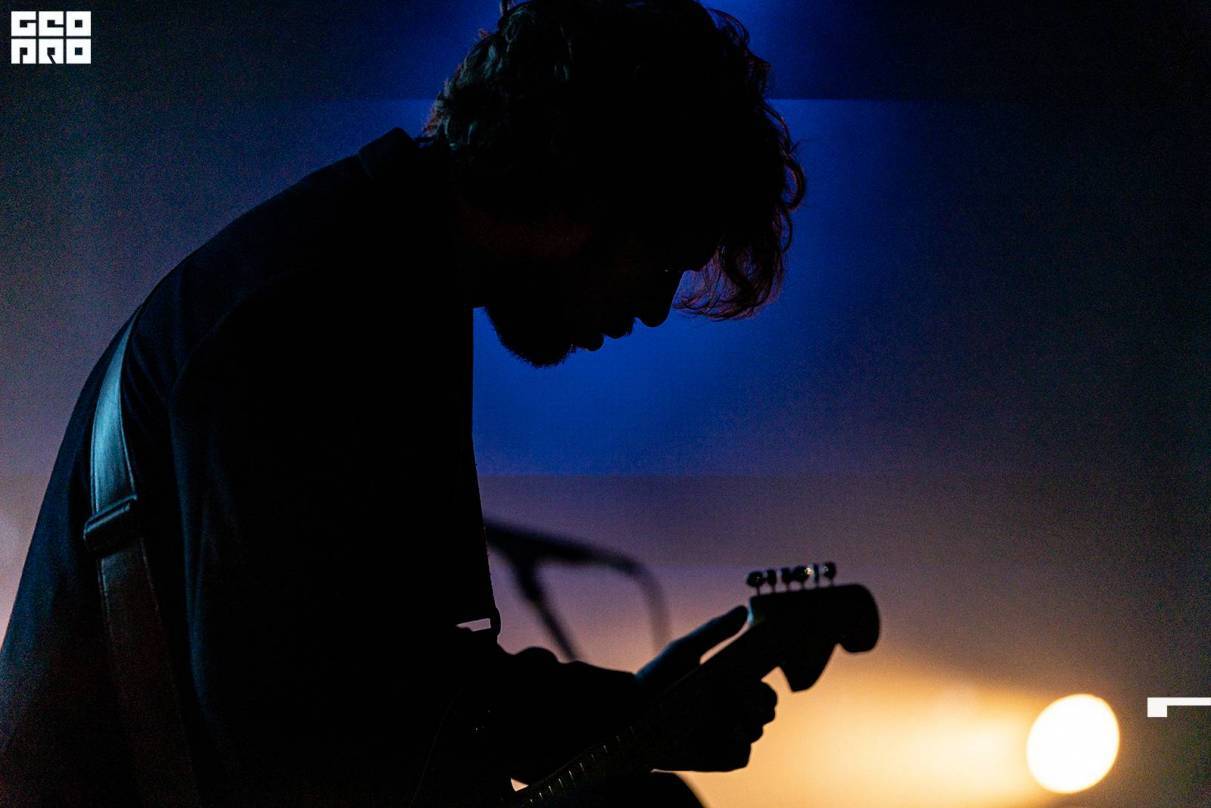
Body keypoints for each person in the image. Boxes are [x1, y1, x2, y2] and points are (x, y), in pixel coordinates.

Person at [0, 0, 804, 803]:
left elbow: (362, 673)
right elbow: (294, 724)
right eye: (661, 260)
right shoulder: (313, 313)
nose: (655, 309)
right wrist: (607, 719)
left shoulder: (368, 277)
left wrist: (618, 718)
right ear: (587, 186)